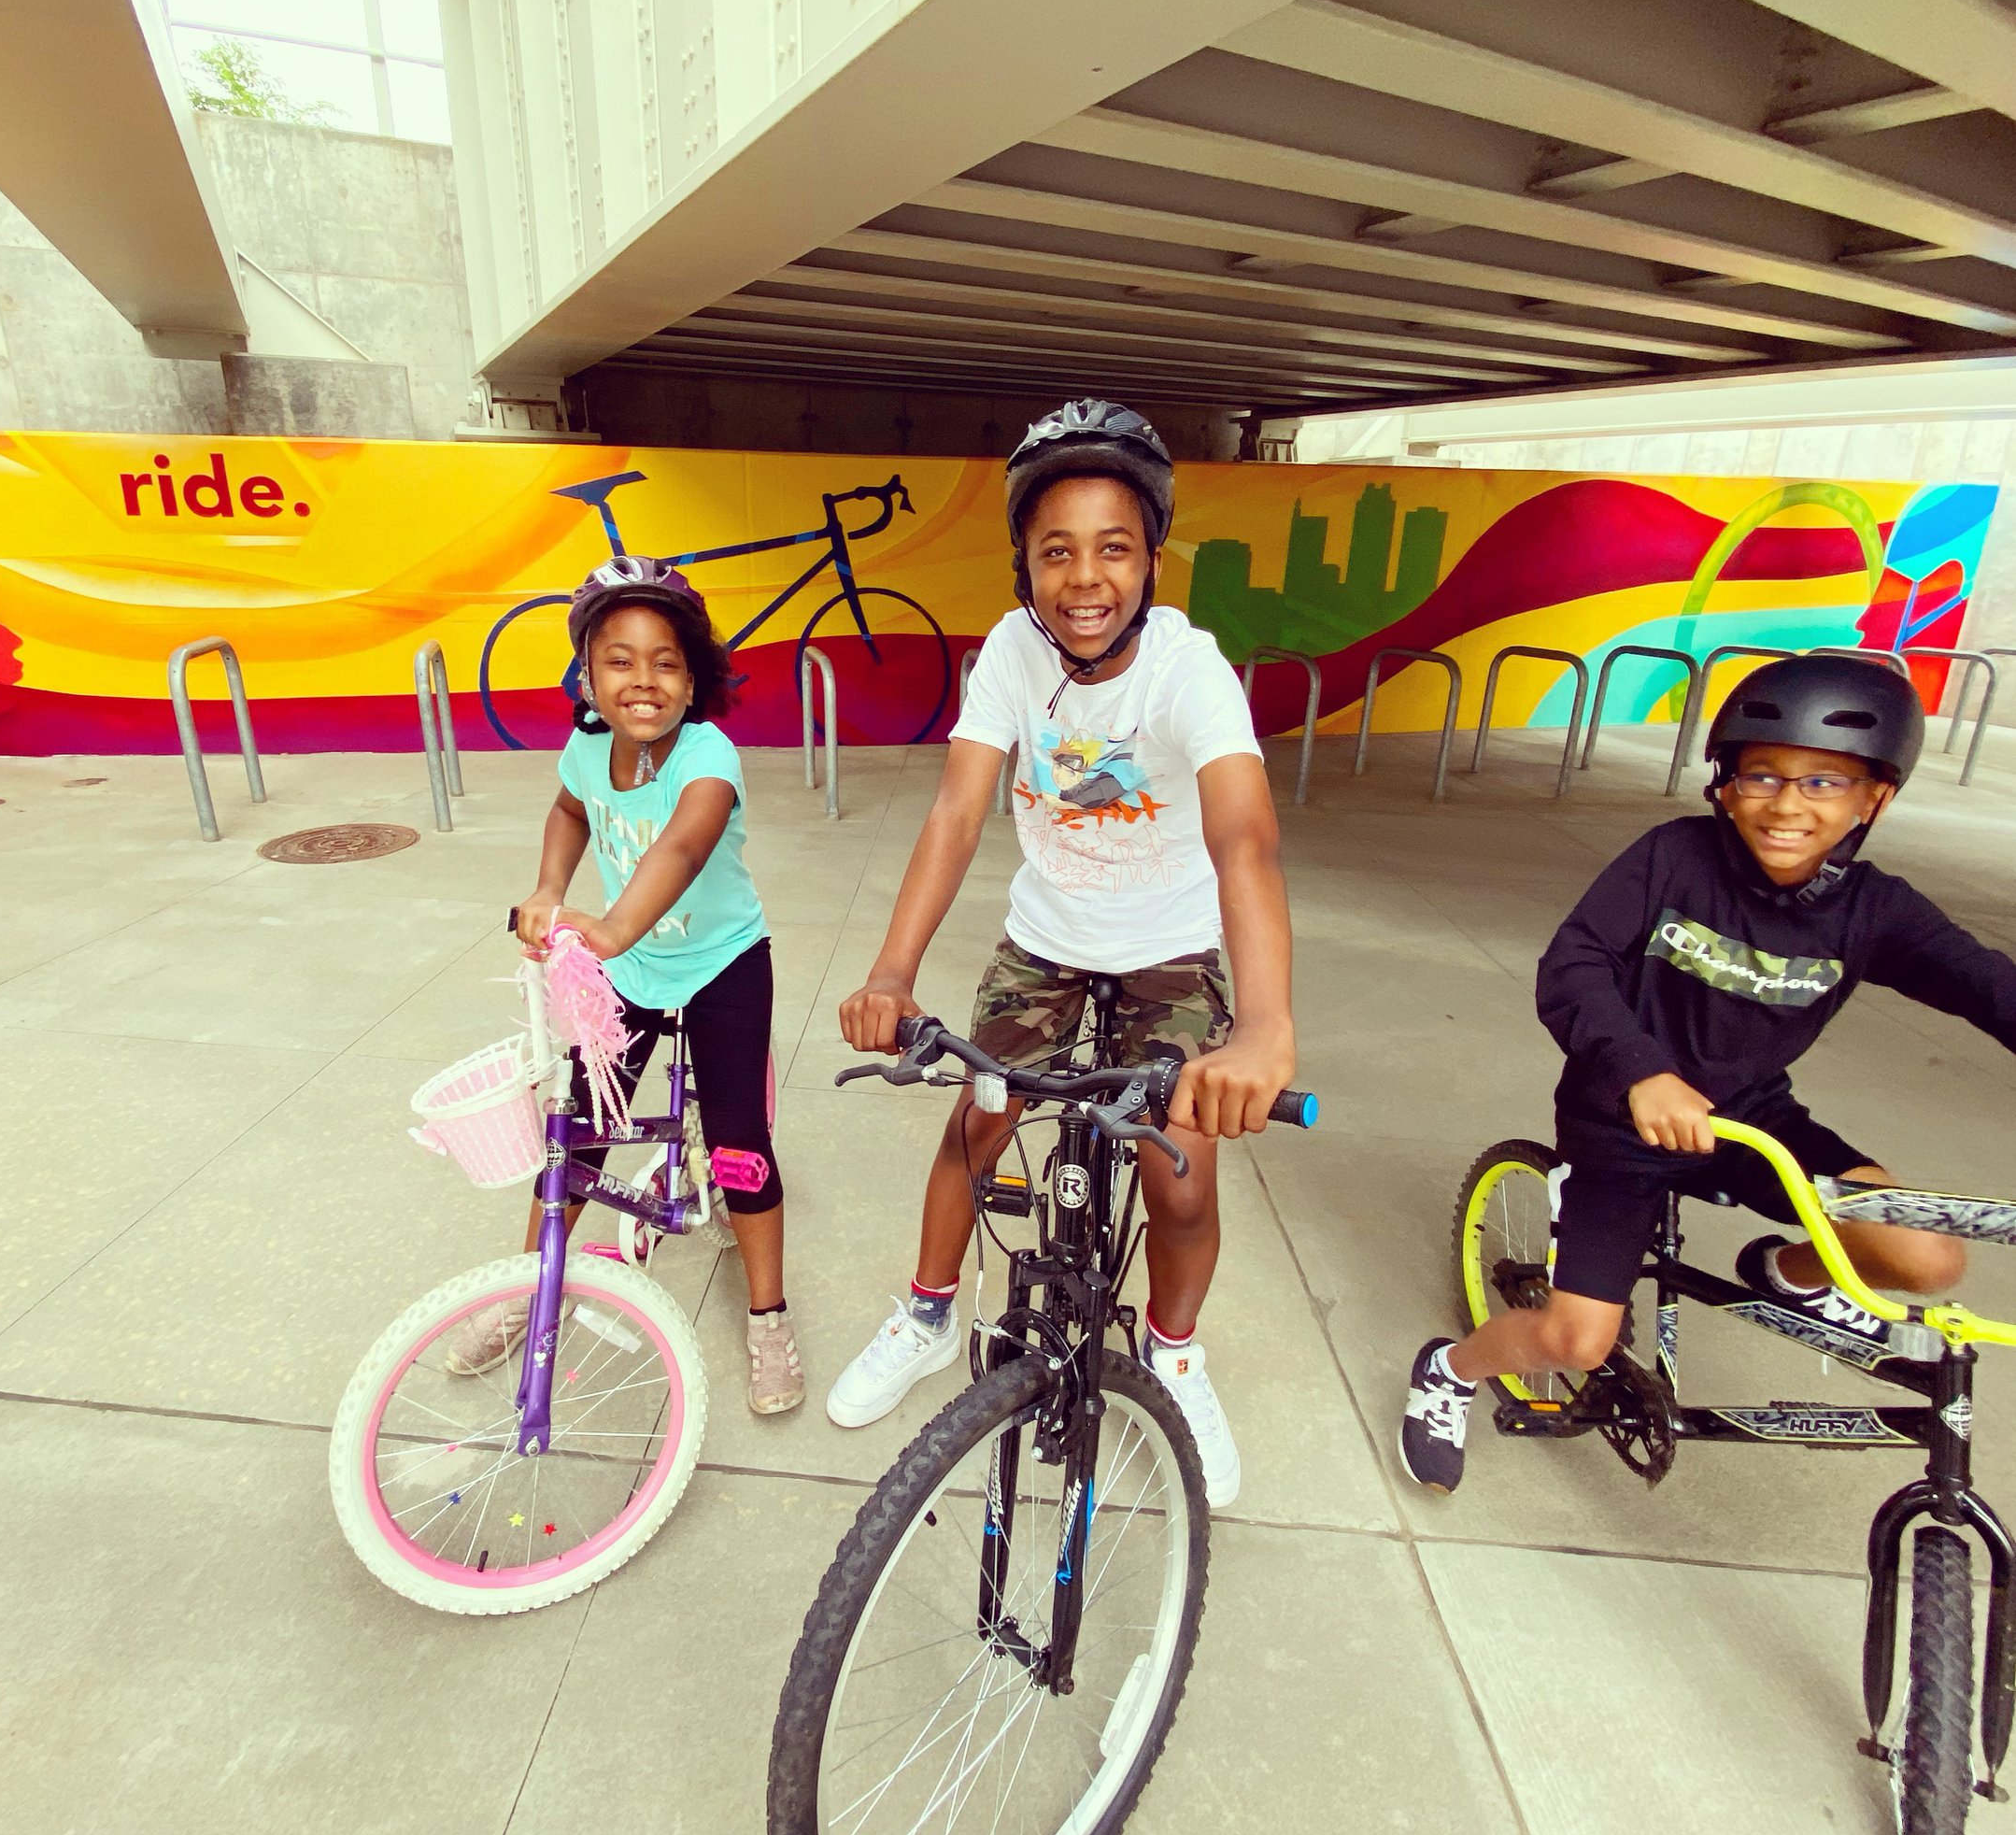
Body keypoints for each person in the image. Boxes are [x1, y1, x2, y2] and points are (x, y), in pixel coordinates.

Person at [828, 399, 1299, 1507]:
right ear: (1023, 565)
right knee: (979, 1112)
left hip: (1170, 950)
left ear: (1150, 559)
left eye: (1113, 548)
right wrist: (893, 972)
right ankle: (928, 1311)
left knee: (1177, 1165)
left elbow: (1245, 840)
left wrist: (1265, 1024)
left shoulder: (1190, 671)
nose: (1084, 577)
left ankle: (1175, 1351)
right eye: (1056, 551)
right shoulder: (1005, 654)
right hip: (1044, 939)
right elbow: (954, 814)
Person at [1399, 654, 2016, 1493]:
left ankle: (1785, 1271)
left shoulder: (1877, 909)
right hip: (1621, 1122)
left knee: (1928, 1258)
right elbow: (1574, 965)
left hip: (1752, 1120)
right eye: (1763, 773)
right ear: (1725, 782)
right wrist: (1641, 1072)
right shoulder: (1674, 859)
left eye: (1825, 782)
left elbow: (1986, 983)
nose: (1788, 804)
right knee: (1577, 1340)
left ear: (1876, 795)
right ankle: (1452, 1368)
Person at [442, 556, 802, 1415]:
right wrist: (549, 891)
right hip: (630, 972)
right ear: (588, 675)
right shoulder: (588, 746)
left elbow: (680, 846)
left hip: (722, 964)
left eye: (666, 661)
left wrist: (608, 928)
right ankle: (533, 1290)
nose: (643, 679)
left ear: (694, 680)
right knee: (577, 1135)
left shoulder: (710, 757)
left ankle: (769, 1318)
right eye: (619, 659)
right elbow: (570, 810)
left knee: (740, 1148)